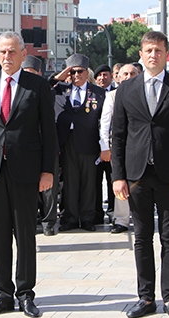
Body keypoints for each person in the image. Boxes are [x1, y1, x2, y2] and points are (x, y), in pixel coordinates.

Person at [0, 31, 57, 317]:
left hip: (26, 170)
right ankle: (2, 294)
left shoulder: (38, 86)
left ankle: (26, 293)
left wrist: (48, 171)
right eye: (3, 52)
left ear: (22, 52)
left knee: (26, 234)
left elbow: (49, 132)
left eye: (12, 52)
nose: (7, 57)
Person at [111, 31, 169, 318]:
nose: (153, 55)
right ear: (141, 52)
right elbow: (119, 136)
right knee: (142, 237)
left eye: (158, 50)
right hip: (136, 176)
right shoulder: (126, 89)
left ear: (166, 53)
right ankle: (146, 299)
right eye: (148, 50)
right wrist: (118, 176)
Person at [54, 54, 106, 231]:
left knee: (89, 183)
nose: (76, 75)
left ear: (87, 72)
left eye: (80, 71)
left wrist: (104, 145)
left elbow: (104, 120)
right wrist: (57, 78)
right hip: (67, 143)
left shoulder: (98, 92)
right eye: (72, 72)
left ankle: (87, 218)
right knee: (69, 183)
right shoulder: (60, 89)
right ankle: (69, 218)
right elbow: (42, 89)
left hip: (89, 143)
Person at [100, 60, 139, 234]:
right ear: (118, 78)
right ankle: (122, 220)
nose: (129, 77)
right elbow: (105, 124)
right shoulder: (112, 96)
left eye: (132, 74)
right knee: (120, 182)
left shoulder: (144, 93)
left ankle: (140, 219)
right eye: (125, 74)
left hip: (141, 147)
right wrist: (105, 147)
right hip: (120, 147)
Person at [22, 55, 58, 236]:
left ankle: (49, 222)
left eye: (33, 73)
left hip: (44, 143)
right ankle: (34, 217)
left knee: (49, 187)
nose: (29, 77)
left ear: (39, 73)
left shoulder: (45, 88)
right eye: (26, 73)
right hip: (26, 147)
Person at [93, 64, 116, 223]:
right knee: (95, 181)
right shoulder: (92, 94)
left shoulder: (116, 94)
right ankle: (96, 213)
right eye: (99, 75)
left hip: (113, 145)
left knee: (113, 179)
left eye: (105, 74)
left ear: (112, 76)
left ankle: (114, 212)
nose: (102, 78)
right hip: (94, 145)